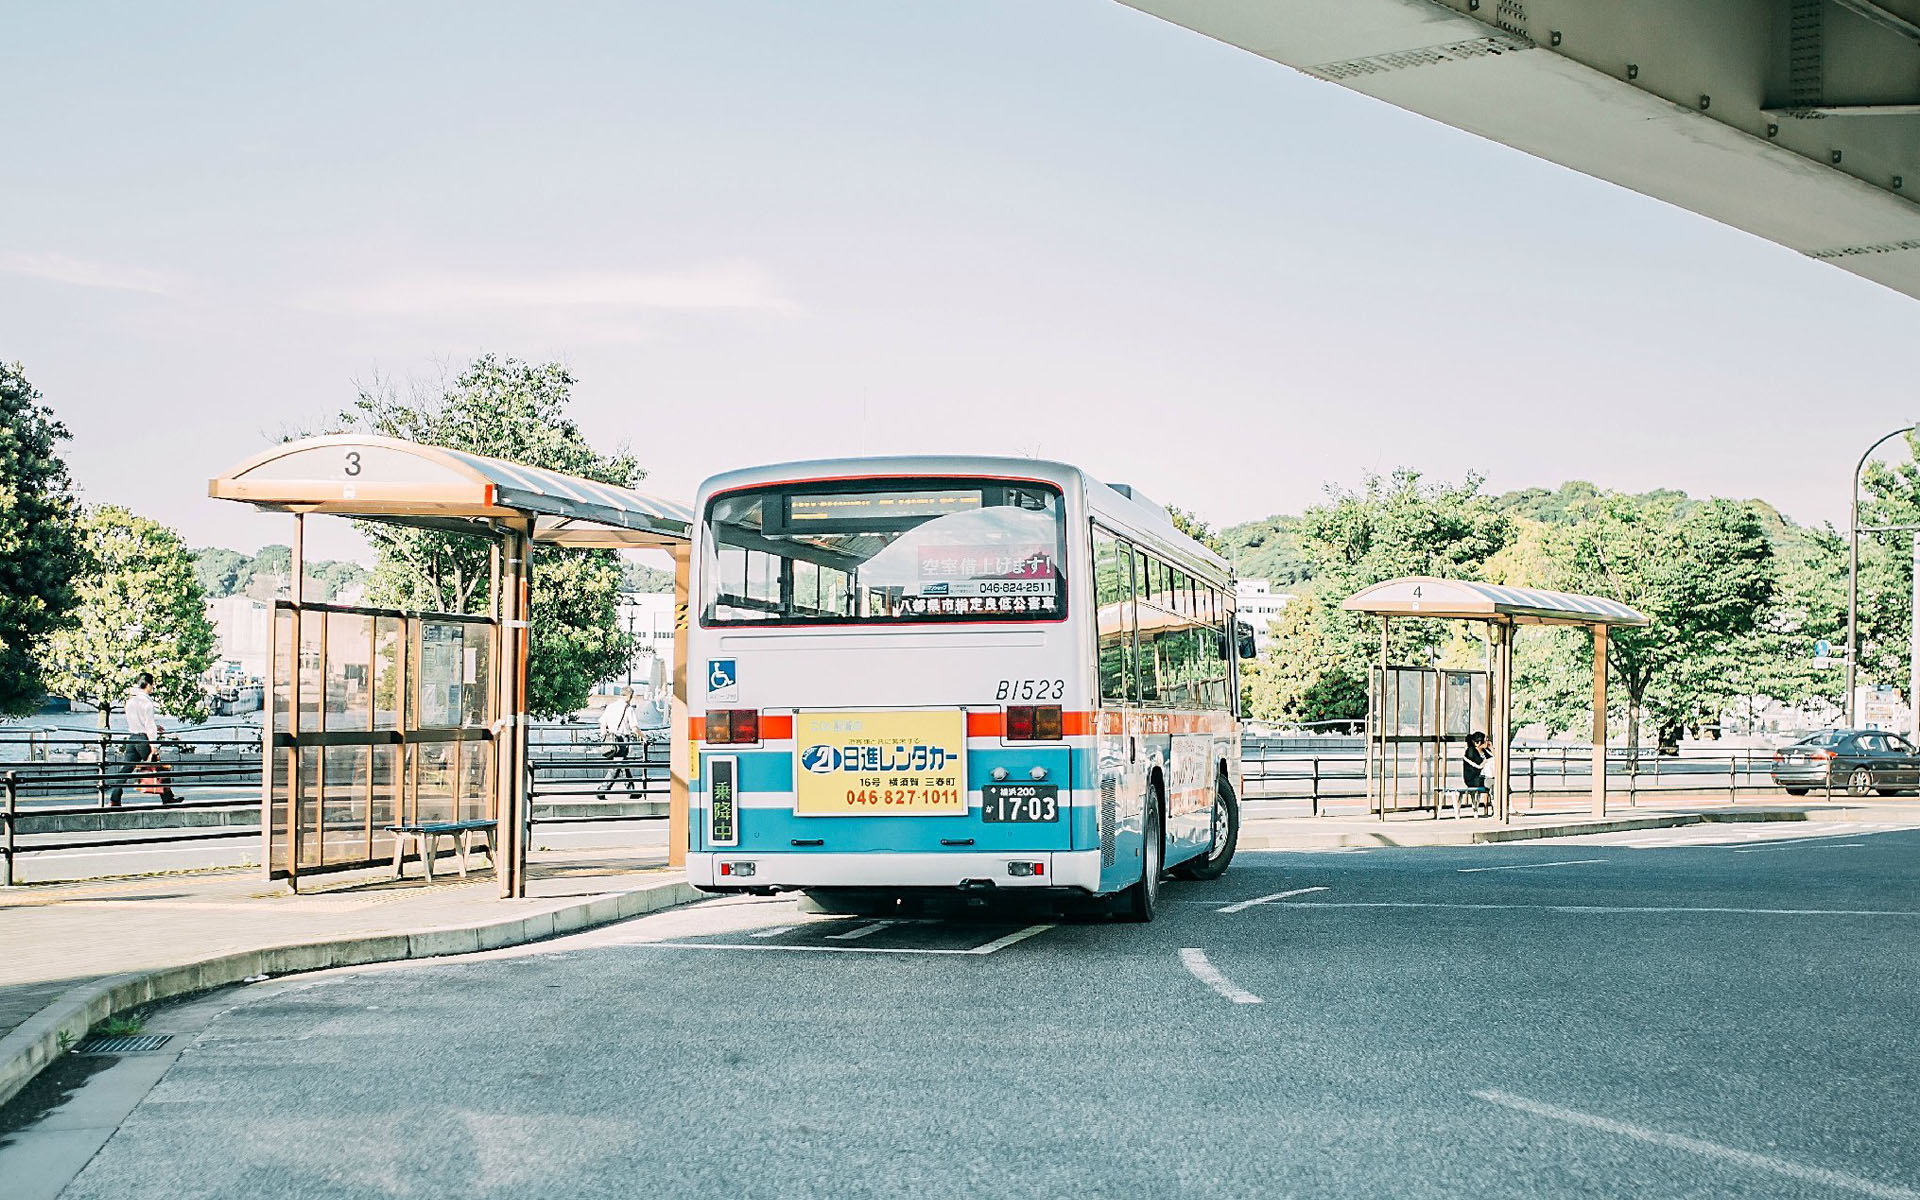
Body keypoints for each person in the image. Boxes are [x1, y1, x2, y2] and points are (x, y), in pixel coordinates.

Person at [108, 672, 179, 806]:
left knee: (125, 770)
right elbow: (149, 725)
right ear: (148, 685)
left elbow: (137, 721)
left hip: (132, 738)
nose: (153, 688)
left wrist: (151, 727)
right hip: (143, 739)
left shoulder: (130, 701)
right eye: (152, 685)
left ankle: (114, 798)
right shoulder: (147, 702)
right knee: (159, 768)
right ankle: (167, 798)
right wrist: (154, 745)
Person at [596, 686, 644, 799]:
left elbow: (602, 723)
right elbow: (634, 728)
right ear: (630, 696)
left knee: (622, 765)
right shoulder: (628, 709)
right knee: (617, 766)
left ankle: (631, 791)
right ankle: (602, 790)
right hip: (622, 740)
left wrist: (604, 736)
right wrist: (644, 737)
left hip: (611, 739)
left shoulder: (611, 707)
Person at [1462, 731, 1493, 815]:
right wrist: (1485, 762)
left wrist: (1492, 749)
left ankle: (1503, 806)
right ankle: (1497, 807)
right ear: (1478, 742)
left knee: (1498, 782)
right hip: (1473, 779)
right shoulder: (1471, 751)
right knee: (1494, 783)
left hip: (1484, 777)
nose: (1488, 742)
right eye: (1485, 740)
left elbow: (1494, 759)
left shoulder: (1485, 751)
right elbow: (1478, 766)